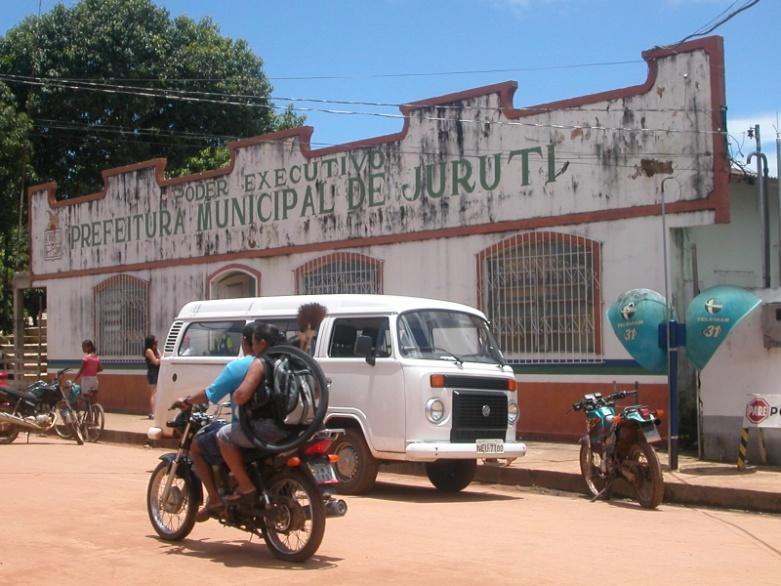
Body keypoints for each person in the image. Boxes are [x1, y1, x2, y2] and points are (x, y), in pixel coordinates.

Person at [173, 323, 258, 522]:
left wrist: (186, 401)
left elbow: (210, 393)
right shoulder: (275, 363)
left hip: (248, 429)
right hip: (276, 429)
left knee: (197, 446)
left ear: (245, 342)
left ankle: (214, 499)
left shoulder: (240, 366)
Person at [216, 323, 287, 503]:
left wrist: (239, 396)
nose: (252, 348)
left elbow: (240, 396)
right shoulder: (291, 360)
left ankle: (245, 486)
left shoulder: (260, 362)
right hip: (298, 428)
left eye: (254, 343)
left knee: (223, 435)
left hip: (271, 428)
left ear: (262, 343)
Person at [144, 335, 161, 418]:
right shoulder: (149, 351)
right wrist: (160, 359)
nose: (156, 342)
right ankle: (153, 412)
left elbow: (160, 358)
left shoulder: (155, 350)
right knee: (154, 392)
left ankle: (157, 411)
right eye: (155, 341)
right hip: (153, 372)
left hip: (157, 372)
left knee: (157, 392)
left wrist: (157, 350)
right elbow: (156, 362)